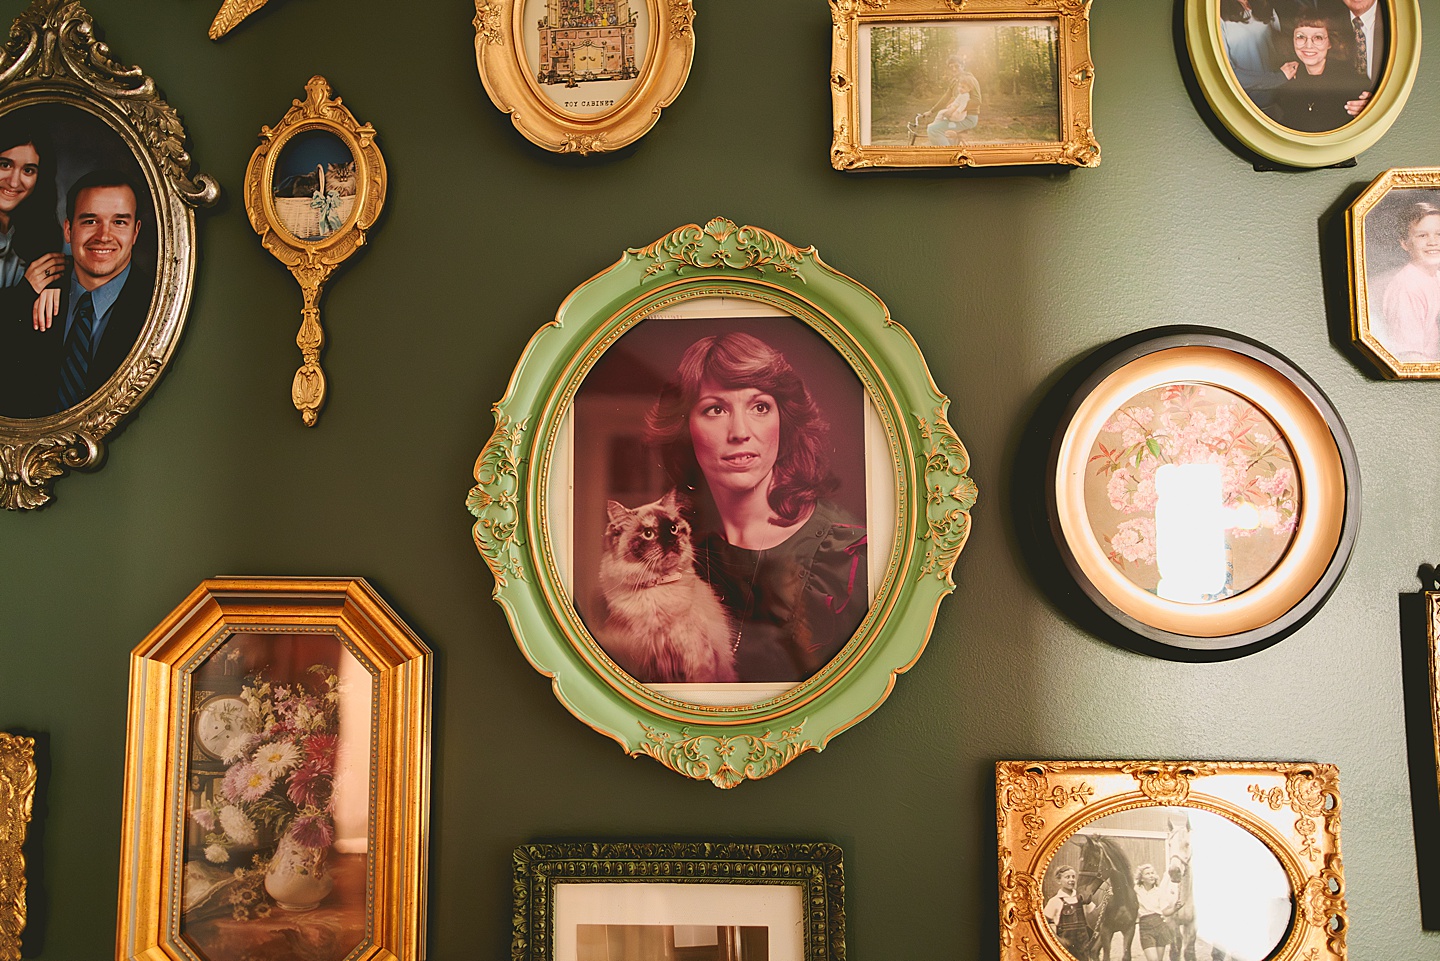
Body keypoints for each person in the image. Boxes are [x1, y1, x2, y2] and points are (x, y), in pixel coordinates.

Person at [645, 331, 867, 683]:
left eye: (760, 406)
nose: (740, 431)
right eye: (715, 409)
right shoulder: (672, 557)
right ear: (685, 428)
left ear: (784, 420)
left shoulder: (848, 554)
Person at [0, 169, 152, 417]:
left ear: (135, 232)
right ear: (69, 230)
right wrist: (23, 297)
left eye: (119, 222)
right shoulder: (32, 292)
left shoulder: (156, 304)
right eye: (90, 221)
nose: (104, 236)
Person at [1272, 14, 1368, 132]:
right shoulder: (1288, 79)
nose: (1308, 45)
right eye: (1300, 37)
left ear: (1329, 43)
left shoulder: (1351, 81)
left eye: (1318, 38)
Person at [1376, 201, 1440, 362]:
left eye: (1439, 234)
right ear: (1405, 243)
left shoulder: (1434, 277)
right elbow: (1411, 359)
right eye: (1422, 235)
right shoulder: (1406, 287)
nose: (1433, 242)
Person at [919, 56, 983, 146]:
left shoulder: (969, 79)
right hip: (956, 117)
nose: (954, 69)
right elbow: (946, 98)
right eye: (951, 67)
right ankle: (951, 151)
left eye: (956, 66)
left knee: (933, 129)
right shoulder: (954, 81)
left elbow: (977, 101)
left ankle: (946, 155)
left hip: (968, 118)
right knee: (941, 130)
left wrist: (954, 110)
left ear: (962, 66)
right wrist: (931, 111)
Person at [1135, 863, 1182, 961]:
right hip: (1145, 928)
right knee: (1153, 959)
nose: (1151, 875)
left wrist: (1175, 908)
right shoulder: (1136, 890)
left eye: (1152, 873)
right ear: (1141, 878)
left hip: (1160, 927)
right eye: (1147, 874)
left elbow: (1165, 912)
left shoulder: (1159, 891)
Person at [1043, 865, 1092, 958]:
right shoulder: (1055, 900)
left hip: (1083, 947)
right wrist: (1058, 940)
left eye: (1073, 877)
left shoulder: (1080, 898)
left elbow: (1095, 914)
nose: (1071, 879)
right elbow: (1043, 923)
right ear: (1059, 881)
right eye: (1067, 877)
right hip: (1065, 947)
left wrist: (1092, 900)